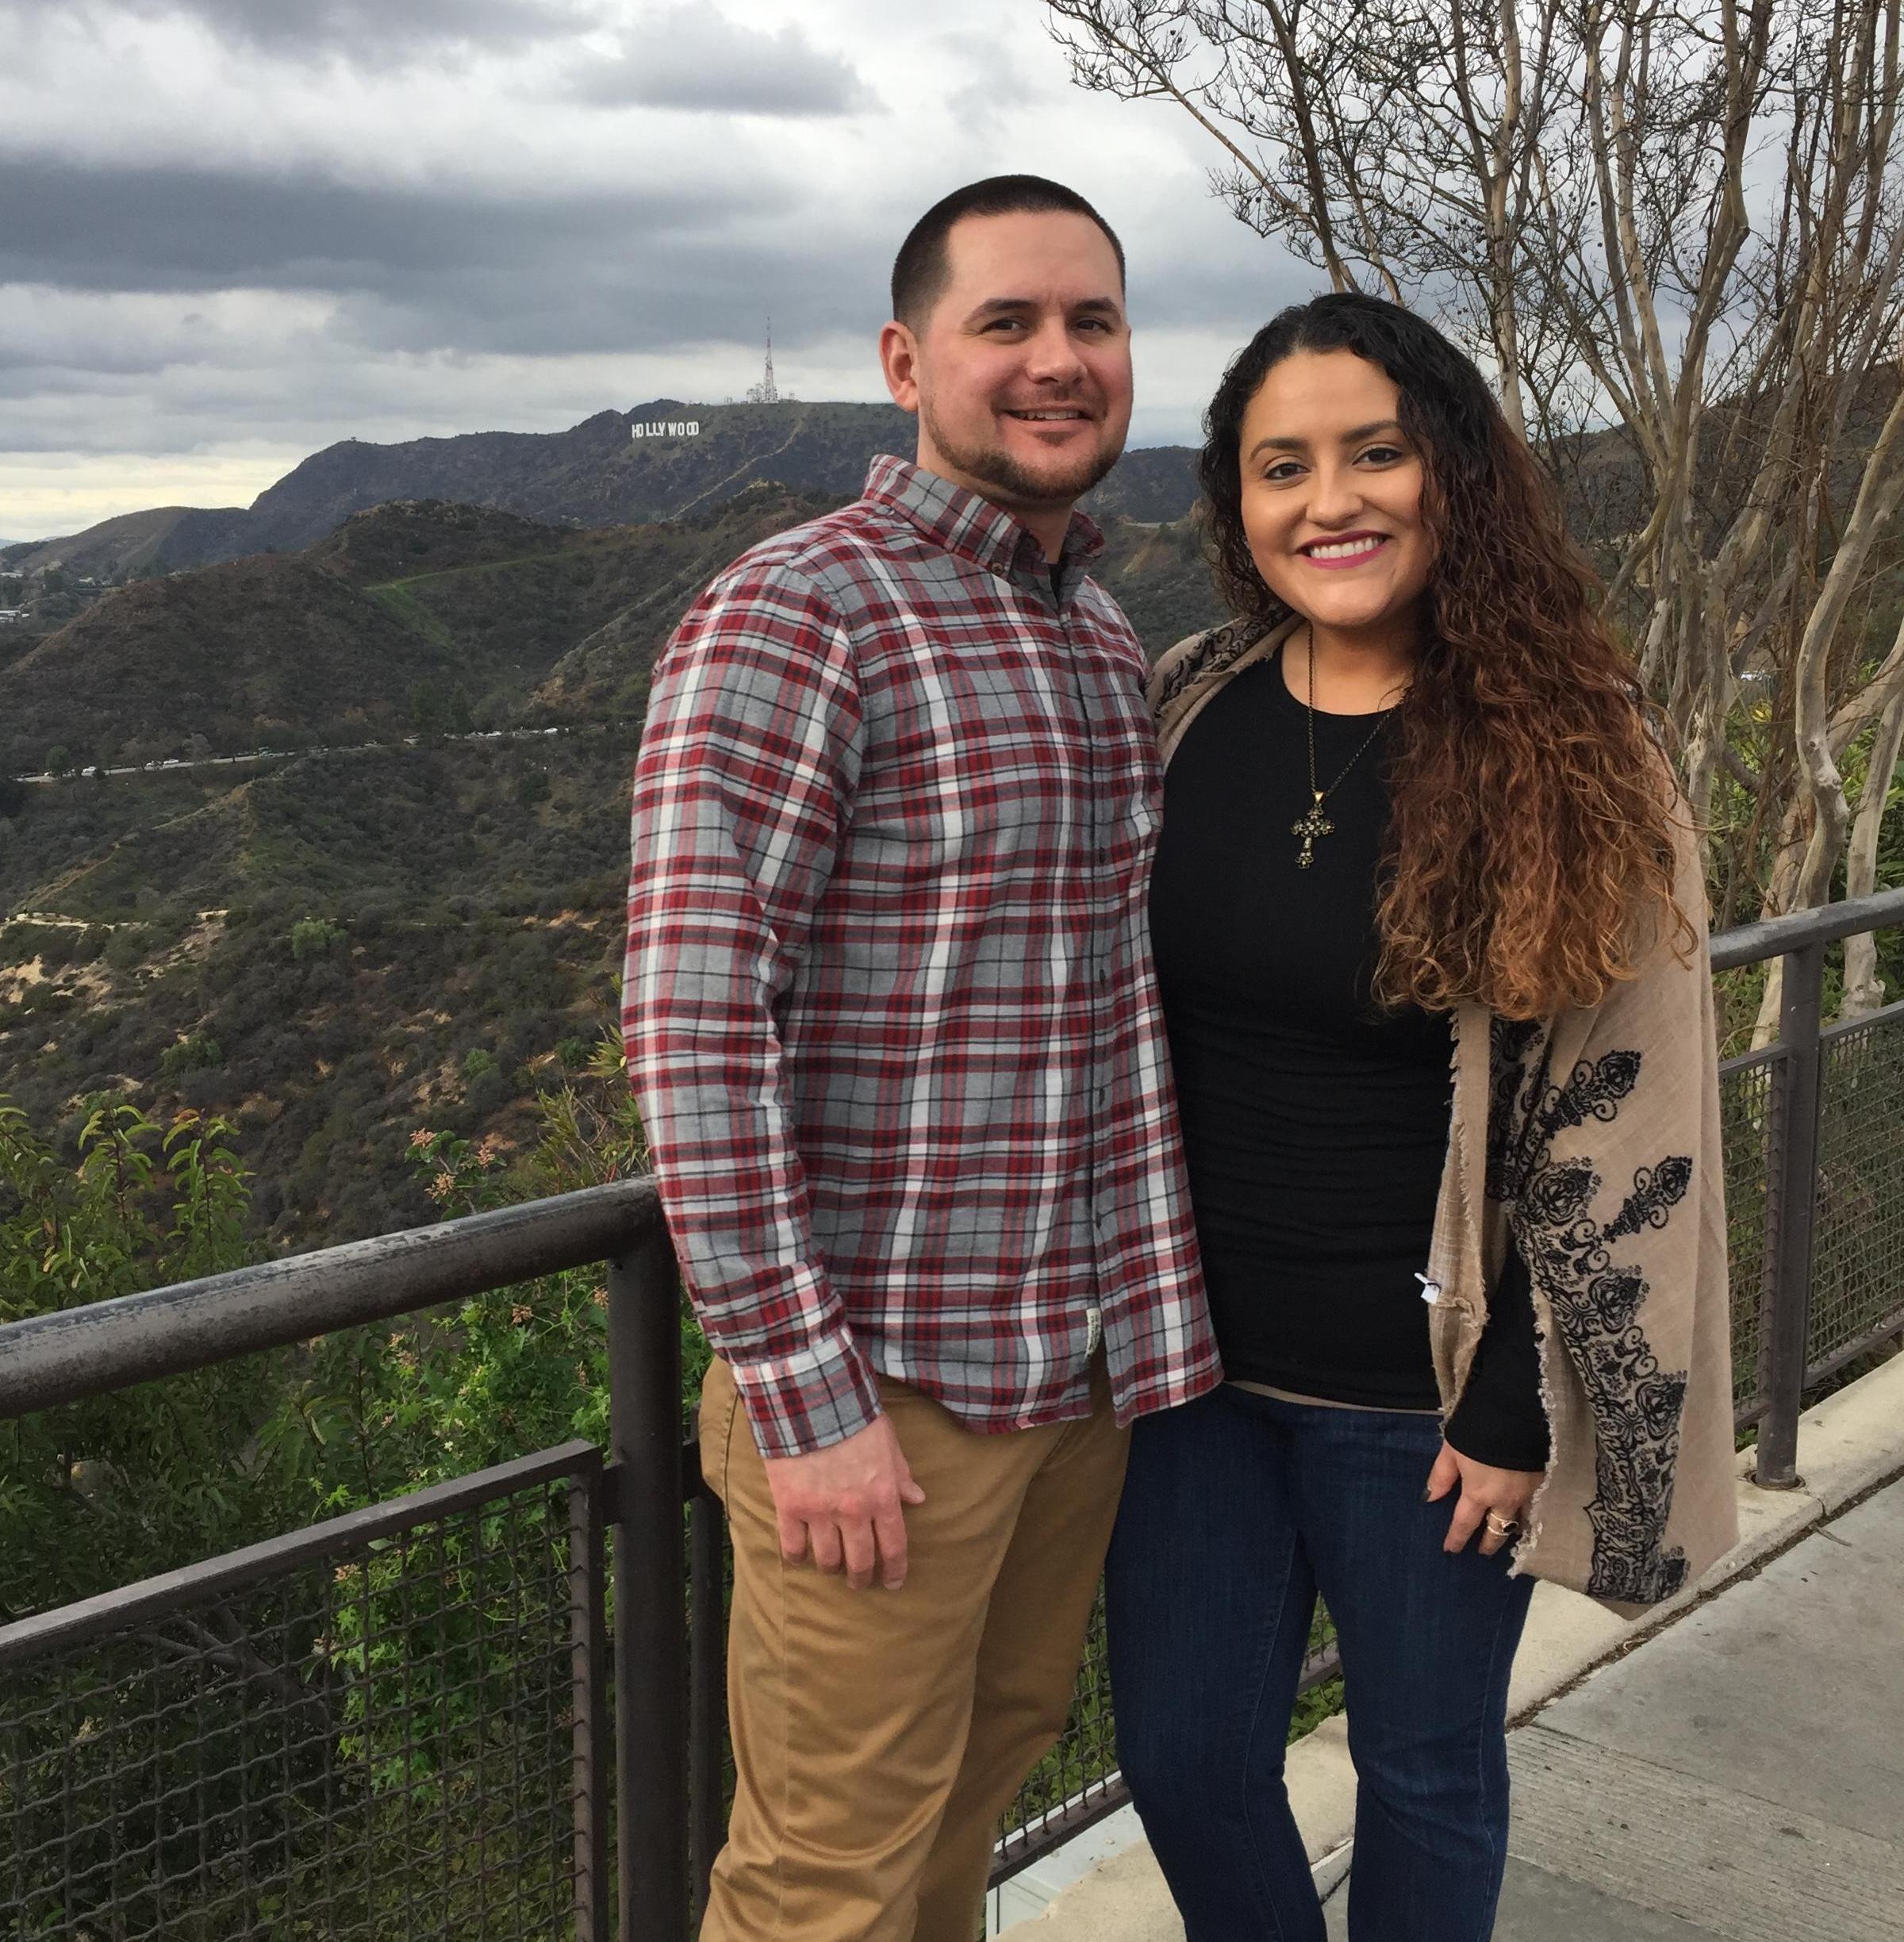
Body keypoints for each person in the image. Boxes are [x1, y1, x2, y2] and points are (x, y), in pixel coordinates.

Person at [620, 175, 1219, 1942]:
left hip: (1077, 1377)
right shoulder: (801, 612)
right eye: (1005, 322)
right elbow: (694, 1028)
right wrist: (806, 1405)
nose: (1058, 359)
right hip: (884, 1394)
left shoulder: (1097, 633)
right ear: (905, 361)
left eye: (1092, 321)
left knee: (972, 1801)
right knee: (826, 1879)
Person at [1106, 292, 1740, 1942]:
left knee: (1425, 1773)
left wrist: (1522, 1400)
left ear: (1450, 471)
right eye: (1282, 467)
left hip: (1428, 1401)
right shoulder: (1188, 703)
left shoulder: (1570, 749)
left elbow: (1633, 1098)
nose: (1331, 501)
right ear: (1237, 504)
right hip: (1192, 1381)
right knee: (1185, 1760)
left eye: (1375, 453)